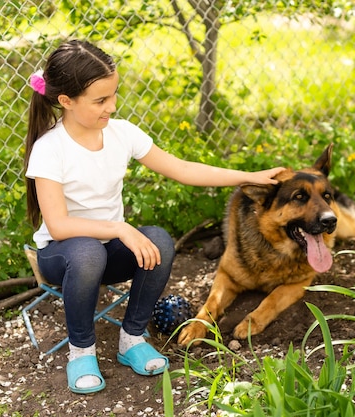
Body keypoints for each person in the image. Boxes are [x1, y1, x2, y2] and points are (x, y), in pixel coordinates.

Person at [23, 39, 285, 395]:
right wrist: (119, 228)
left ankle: (131, 339)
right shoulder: (50, 149)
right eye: (100, 101)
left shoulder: (121, 134)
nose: (111, 107)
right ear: (66, 101)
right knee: (87, 252)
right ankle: (81, 352)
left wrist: (247, 176)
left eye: (113, 95)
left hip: (106, 251)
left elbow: (183, 169)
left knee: (158, 240)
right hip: (62, 255)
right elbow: (59, 225)